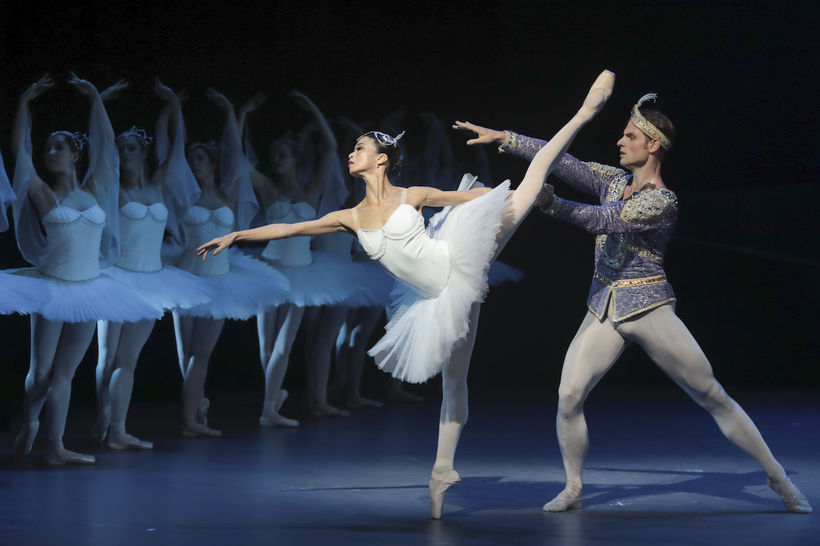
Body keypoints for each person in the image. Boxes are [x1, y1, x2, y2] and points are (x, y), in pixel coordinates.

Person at [198, 71, 616, 517]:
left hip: (459, 257)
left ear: (381, 159)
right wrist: (239, 234)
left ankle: (584, 113)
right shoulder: (350, 216)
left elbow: (464, 201)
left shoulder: (412, 194)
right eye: (353, 146)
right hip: (435, 299)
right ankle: (441, 473)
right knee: (454, 385)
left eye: (359, 147)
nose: (351, 152)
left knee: (533, 179)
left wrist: (506, 200)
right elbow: (288, 228)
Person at [471, 93, 812, 514]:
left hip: (648, 306)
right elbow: (564, 161)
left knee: (711, 394)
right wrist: (507, 138)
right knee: (569, 394)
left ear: (653, 144)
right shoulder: (613, 181)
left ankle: (778, 478)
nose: (620, 141)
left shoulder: (661, 200)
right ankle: (573, 487)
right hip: (602, 306)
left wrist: (550, 203)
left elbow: (603, 221)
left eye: (629, 135)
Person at [10, 74, 160, 464]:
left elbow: (108, 148)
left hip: (89, 287)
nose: (51, 152)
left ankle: (56, 446)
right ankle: (30, 420)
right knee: (41, 371)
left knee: (65, 373)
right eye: (48, 147)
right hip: (53, 287)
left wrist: (96, 99)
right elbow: (20, 154)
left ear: (76, 155)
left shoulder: (94, 189)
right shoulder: (42, 192)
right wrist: (24, 106)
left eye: (59, 147)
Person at [94, 79, 213, 450]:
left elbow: (177, 149)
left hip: (151, 279)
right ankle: (103, 420)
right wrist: (99, 103)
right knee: (107, 357)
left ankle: (117, 430)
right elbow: (98, 149)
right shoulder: (113, 186)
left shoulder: (158, 183)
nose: (125, 153)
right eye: (121, 148)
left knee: (128, 358)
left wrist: (174, 104)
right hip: (118, 277)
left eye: (131, 147)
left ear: (143, 151)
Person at [171, 87, 289, 437]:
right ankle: (197, 407)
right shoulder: (182, 195)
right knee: (185, 356)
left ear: (212, 162)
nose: (194, 164)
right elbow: (170, 153)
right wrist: (172, 110)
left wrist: (233, 113)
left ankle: (190, 420)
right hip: (186, 277)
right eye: (191, 159)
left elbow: (237, 158)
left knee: (201, 355)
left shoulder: (228, 194)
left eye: (201, 159)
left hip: (219, 280)